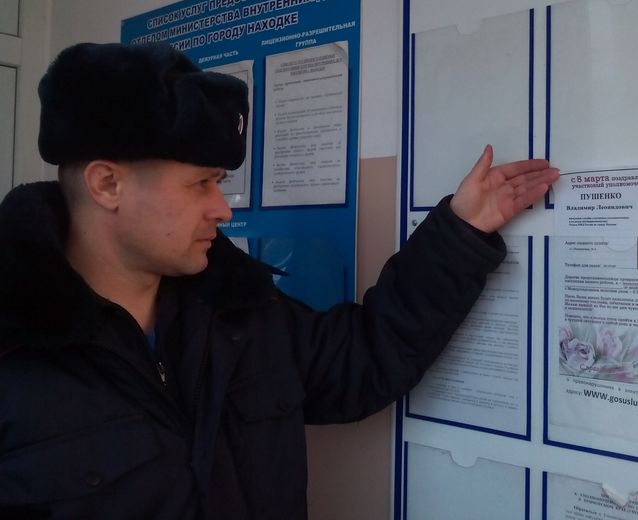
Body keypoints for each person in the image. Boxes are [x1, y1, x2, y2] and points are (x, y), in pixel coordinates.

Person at [0, 42, 559, 519]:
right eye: (200, 184)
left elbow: (364, 358)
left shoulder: (237, 313)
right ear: (107, 185)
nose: (223, 208)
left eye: (221, 183)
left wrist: (461, 231)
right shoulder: (16, 357)